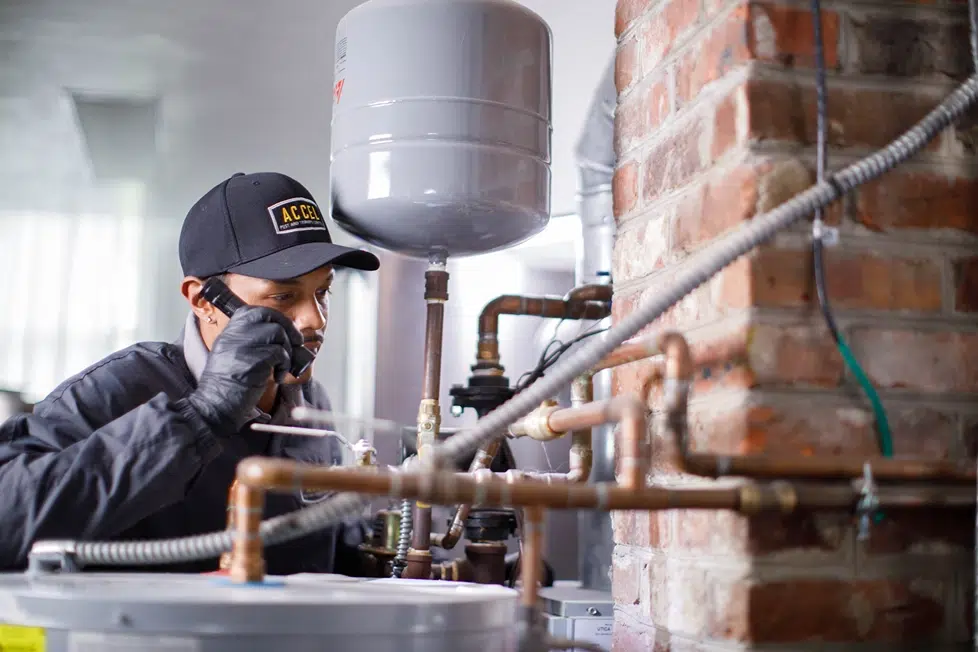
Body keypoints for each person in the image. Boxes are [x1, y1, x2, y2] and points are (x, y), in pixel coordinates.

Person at [0, 171, 380, 574]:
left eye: (323, 292)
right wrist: (203, 415)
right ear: (203, 301)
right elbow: (9, 515)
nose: (314, 319)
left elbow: (315, 542)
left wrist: (371, 551)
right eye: (283, 296)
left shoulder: (310, 406)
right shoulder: (118, 390)